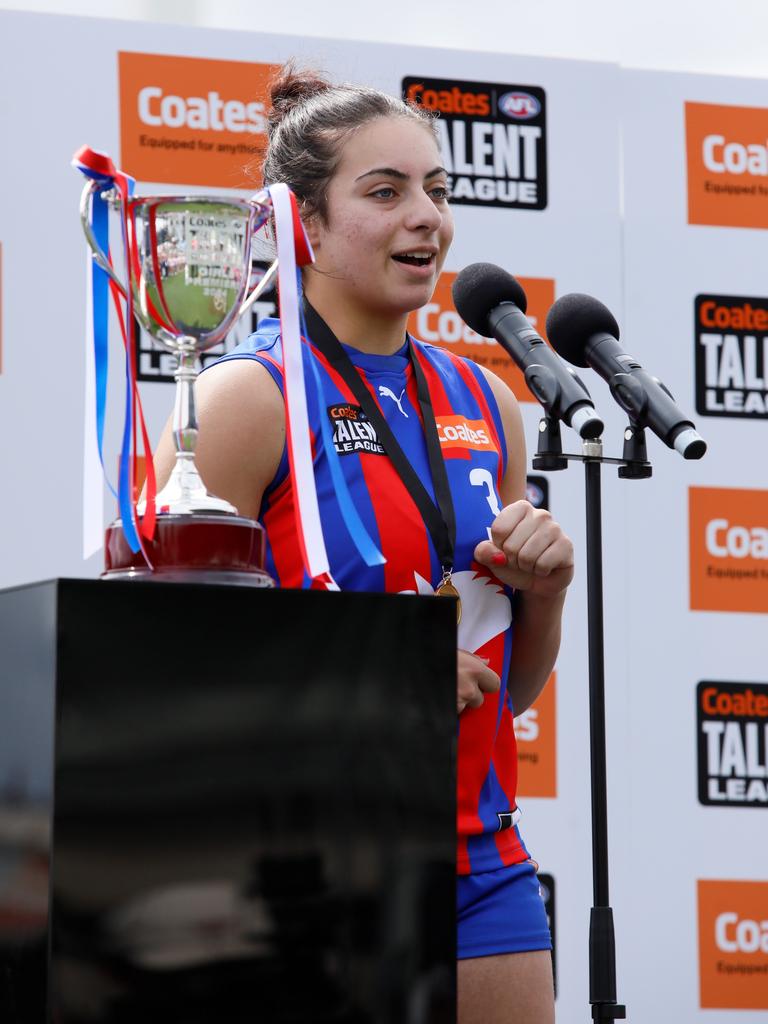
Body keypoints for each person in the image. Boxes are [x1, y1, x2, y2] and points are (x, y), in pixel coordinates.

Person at [153, 65, 573, 1024]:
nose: (427, 216)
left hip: (480, 853)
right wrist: (367, 663)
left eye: (437, 189)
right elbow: (160, 668)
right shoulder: (245, 399)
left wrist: (545, 590)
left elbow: (506, 689)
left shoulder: (487, 402)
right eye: (385, 193)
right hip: (299, 859)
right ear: (300, 222)